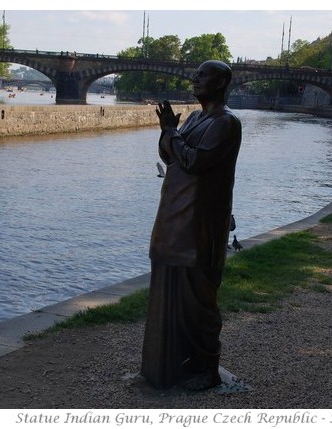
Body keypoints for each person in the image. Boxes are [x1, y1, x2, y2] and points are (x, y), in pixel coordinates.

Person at [141, 60, 242, 391]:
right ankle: (167, 367)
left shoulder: (226, 123)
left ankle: (205, 369)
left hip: (198, 224)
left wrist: (171, 133)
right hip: (174, 218)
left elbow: (195, 161)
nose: (195, 80)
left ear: (221, 83)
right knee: (169, 297)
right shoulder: (198, 118)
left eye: (203, 76)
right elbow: (172, 157)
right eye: (196, 75)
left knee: (198, 304)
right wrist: (167, 133)